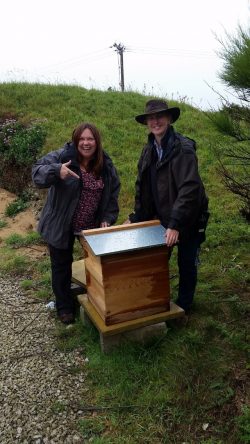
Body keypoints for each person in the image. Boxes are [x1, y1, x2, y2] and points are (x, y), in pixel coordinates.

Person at [125, 99, 209, 315]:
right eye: (151, 118)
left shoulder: (183, 149)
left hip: (189, 218)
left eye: (160, 116)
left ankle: (183, 306)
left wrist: (176, 224)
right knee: (156, 261)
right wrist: (136, 217)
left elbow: (190, 189)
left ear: (170, 119)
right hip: (162, 217)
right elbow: (142, 187)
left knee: (187, 262)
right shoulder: (148, 150)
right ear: (146, 123)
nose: (155, 121)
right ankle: (154, 301)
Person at [32, 122, 120, 325]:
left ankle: (97, 297)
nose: (86, 143)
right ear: (75, 141)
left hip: (90, 226)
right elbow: (36, 173)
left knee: (96, 263)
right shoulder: (63, 157)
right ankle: (64, 307)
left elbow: (112, 193)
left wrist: (107, 218)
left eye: (90, 139)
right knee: (61, 266)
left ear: (97, 142)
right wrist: (56, 171)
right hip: (60, 223)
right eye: (82, 139)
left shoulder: (105, 164)